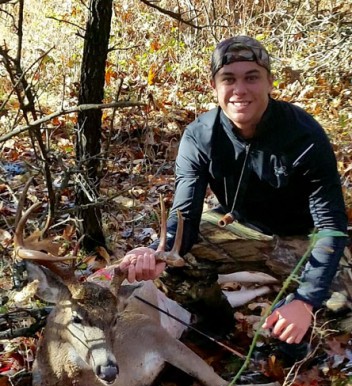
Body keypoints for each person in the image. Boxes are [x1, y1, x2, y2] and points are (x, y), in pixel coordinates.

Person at [120, 35, 348, 348]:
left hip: (300, 238)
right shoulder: (200, 136)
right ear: (214, 87)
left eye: (251, 78)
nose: (240, 90)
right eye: (229, 79)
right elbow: (184, 213)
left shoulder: (304, 134)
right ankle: (217, 324)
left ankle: (290, 320)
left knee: (338, 308)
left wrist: (306, 300)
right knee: (172, 267)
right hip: (236, 228)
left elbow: (330, 227)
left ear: (269, 82)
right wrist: (156, 251)